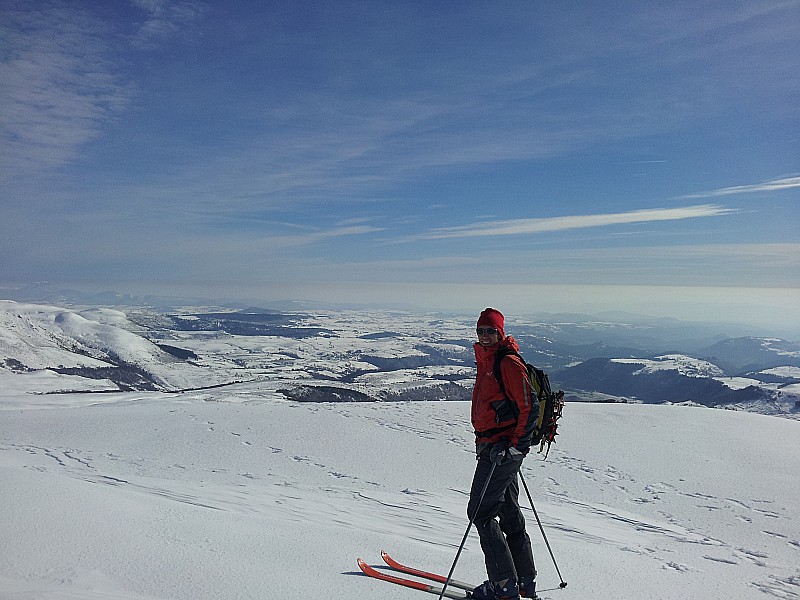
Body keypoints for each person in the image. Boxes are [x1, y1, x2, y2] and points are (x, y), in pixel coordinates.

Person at [468, 308, 538, 600]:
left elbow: (529, 406)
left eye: (490, 331)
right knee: (508, 511)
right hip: (494, 446)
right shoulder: (488, 360)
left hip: (501, 450)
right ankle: (523, 581)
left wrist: (514, 446)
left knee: (481, 512)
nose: (485, 336)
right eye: (481, 331)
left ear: (500, 332)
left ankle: (503, 587)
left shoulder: (506, 362)